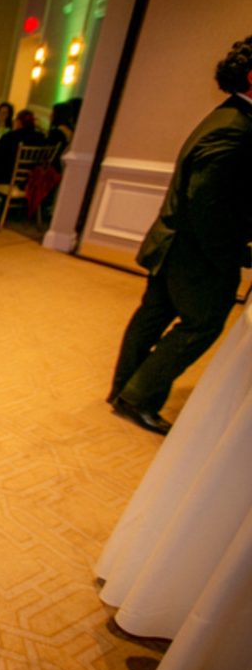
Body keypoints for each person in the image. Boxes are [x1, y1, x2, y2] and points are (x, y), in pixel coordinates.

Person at [108, 35, 252, 435]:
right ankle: (138, 395)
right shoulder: (237, 128)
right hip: (197, 253)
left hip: (176, 244)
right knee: (201, 325)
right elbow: (208, 205)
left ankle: (124, 390)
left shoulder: (225, 117)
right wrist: (233, 255)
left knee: (151, 316)